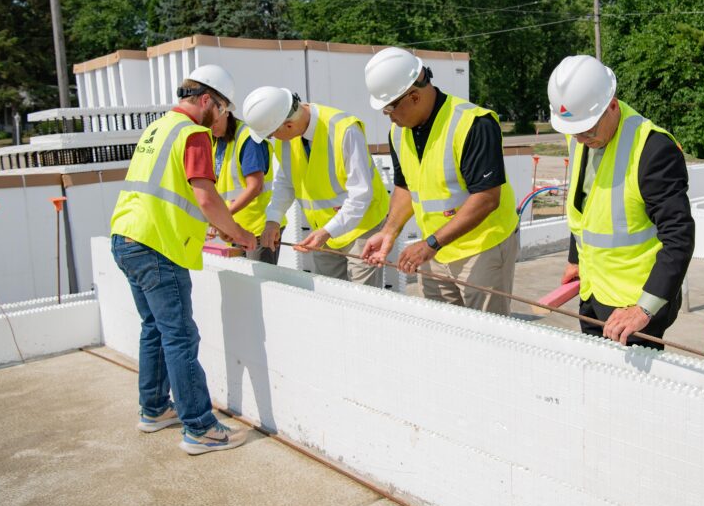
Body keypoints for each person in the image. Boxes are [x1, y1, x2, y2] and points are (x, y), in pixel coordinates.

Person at [110, 64, 256, 455]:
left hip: (126, 238)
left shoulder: (157, 128)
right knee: (180, 335)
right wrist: (239, 234)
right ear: (207, 100)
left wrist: (219, 226)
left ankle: (155, 408)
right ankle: (200, 428)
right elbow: (205, 196)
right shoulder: (194, 134)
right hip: (158, 246)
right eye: (223, 109)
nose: (223, 118)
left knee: (155, 329)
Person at [547, 55, 694, 348]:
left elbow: (679, 238)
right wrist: (576, 259)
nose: (580, 140)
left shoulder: (652, 150)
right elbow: (585, 210)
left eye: (588, 131)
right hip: (592, 292)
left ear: (612, 105)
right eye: (573, 132)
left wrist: (644, 309)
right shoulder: (582, 135)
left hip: (634, 307)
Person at [361, 46, 518, 315]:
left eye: (389, 107)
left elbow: (487, 199)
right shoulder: (399, 133)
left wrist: (431, 244)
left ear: (413, 96)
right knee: (443, 333)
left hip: (481, 249)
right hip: (436, 252)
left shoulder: (473, 124)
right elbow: (405, 187)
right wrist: (388, 232)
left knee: (487, 340)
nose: (388, 116)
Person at [242, 86, 389, 285]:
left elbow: (361, 194)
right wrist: (273, 219)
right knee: (330, 296)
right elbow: (286, 181)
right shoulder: (285, 139)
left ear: (288, 125)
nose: (272, 139)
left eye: (271, 134)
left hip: (362, 228)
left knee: (363, 301)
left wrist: (328, 230)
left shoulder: (344, 130)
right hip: (322, 231)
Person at [210, 108, 284, 264]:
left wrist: (221, 218)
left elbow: (255, 187)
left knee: (260, 283)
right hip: (235, 228)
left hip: (260, 228)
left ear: (226, 111)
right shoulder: (216, 140)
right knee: (244, 282)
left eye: (214, 121)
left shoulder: (248, 138)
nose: (210, 126)